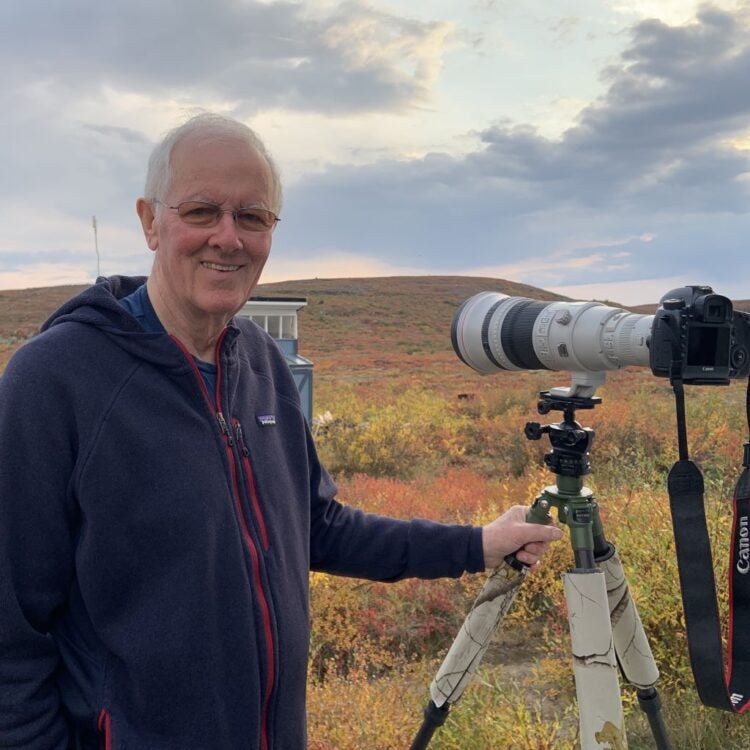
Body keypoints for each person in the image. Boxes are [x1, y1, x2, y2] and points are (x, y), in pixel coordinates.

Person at [0, 113, 562, 749]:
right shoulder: (55, 380)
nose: (228, 238)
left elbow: (316, 527)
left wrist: (471, 545)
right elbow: (9, 635)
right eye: (202, 210)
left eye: (252, 217)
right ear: (150, 221)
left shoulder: (261, 362)